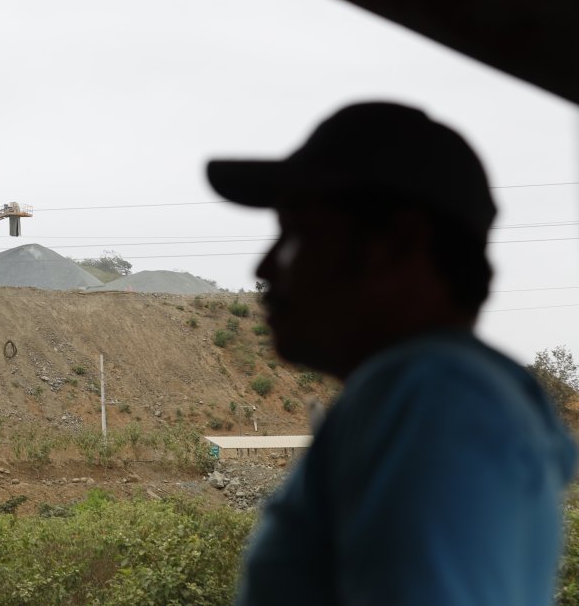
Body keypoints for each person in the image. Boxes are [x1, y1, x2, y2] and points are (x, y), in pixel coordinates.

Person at [205, 101, 576, 606]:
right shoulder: (449, 397)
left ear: (400, 243)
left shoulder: (433, 400)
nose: (266, 265)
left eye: (299, 233)